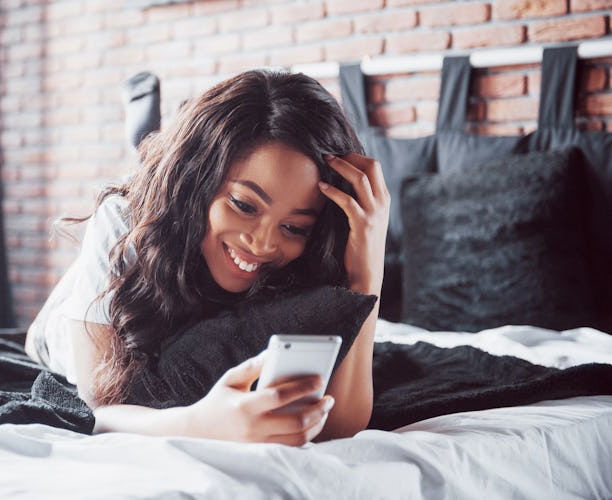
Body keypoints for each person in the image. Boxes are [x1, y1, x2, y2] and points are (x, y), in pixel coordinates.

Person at [25, 69, 390, 445]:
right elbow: (98, 409)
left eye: (293, 227)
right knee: (142, 205)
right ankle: (147, 143)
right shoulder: (121, 224)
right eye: (244, 205)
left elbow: (342, 425)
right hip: (66, 317)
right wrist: (198, 423)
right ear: (197, 181)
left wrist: (367, 271)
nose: (263, 244)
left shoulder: (301, 261)